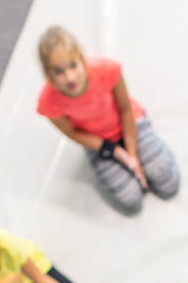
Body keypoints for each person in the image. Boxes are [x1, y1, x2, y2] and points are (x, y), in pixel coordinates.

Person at [36, 25, 180, 215]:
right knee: (131, 202)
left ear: (82, 58)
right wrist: (116, 152)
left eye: (73, 65)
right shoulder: (48, 103)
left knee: (168, 184)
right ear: (48, 75)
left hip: (130, 125)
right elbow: (71, 132)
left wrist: (133, 155)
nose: (70, 77)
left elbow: (125, 109)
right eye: (59, 72)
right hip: (98, 144)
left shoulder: (107, 70)